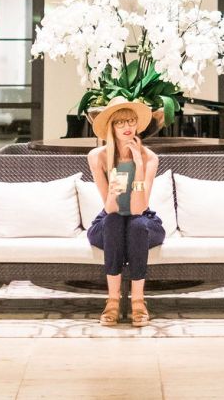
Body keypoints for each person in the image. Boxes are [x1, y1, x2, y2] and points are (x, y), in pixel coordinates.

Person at [86, 99, 164, 327]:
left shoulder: (149, 157)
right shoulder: (97, 156)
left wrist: (138, 166)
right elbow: (110, 208)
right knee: (114, 222)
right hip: (109, 220)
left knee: (136, 225)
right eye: (120, 122)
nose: (127, 126)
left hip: (144, 220)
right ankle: (113, 300)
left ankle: (138, 301)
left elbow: (139, 208)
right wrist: (114, 187)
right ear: (111, 126)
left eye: (131, 120)